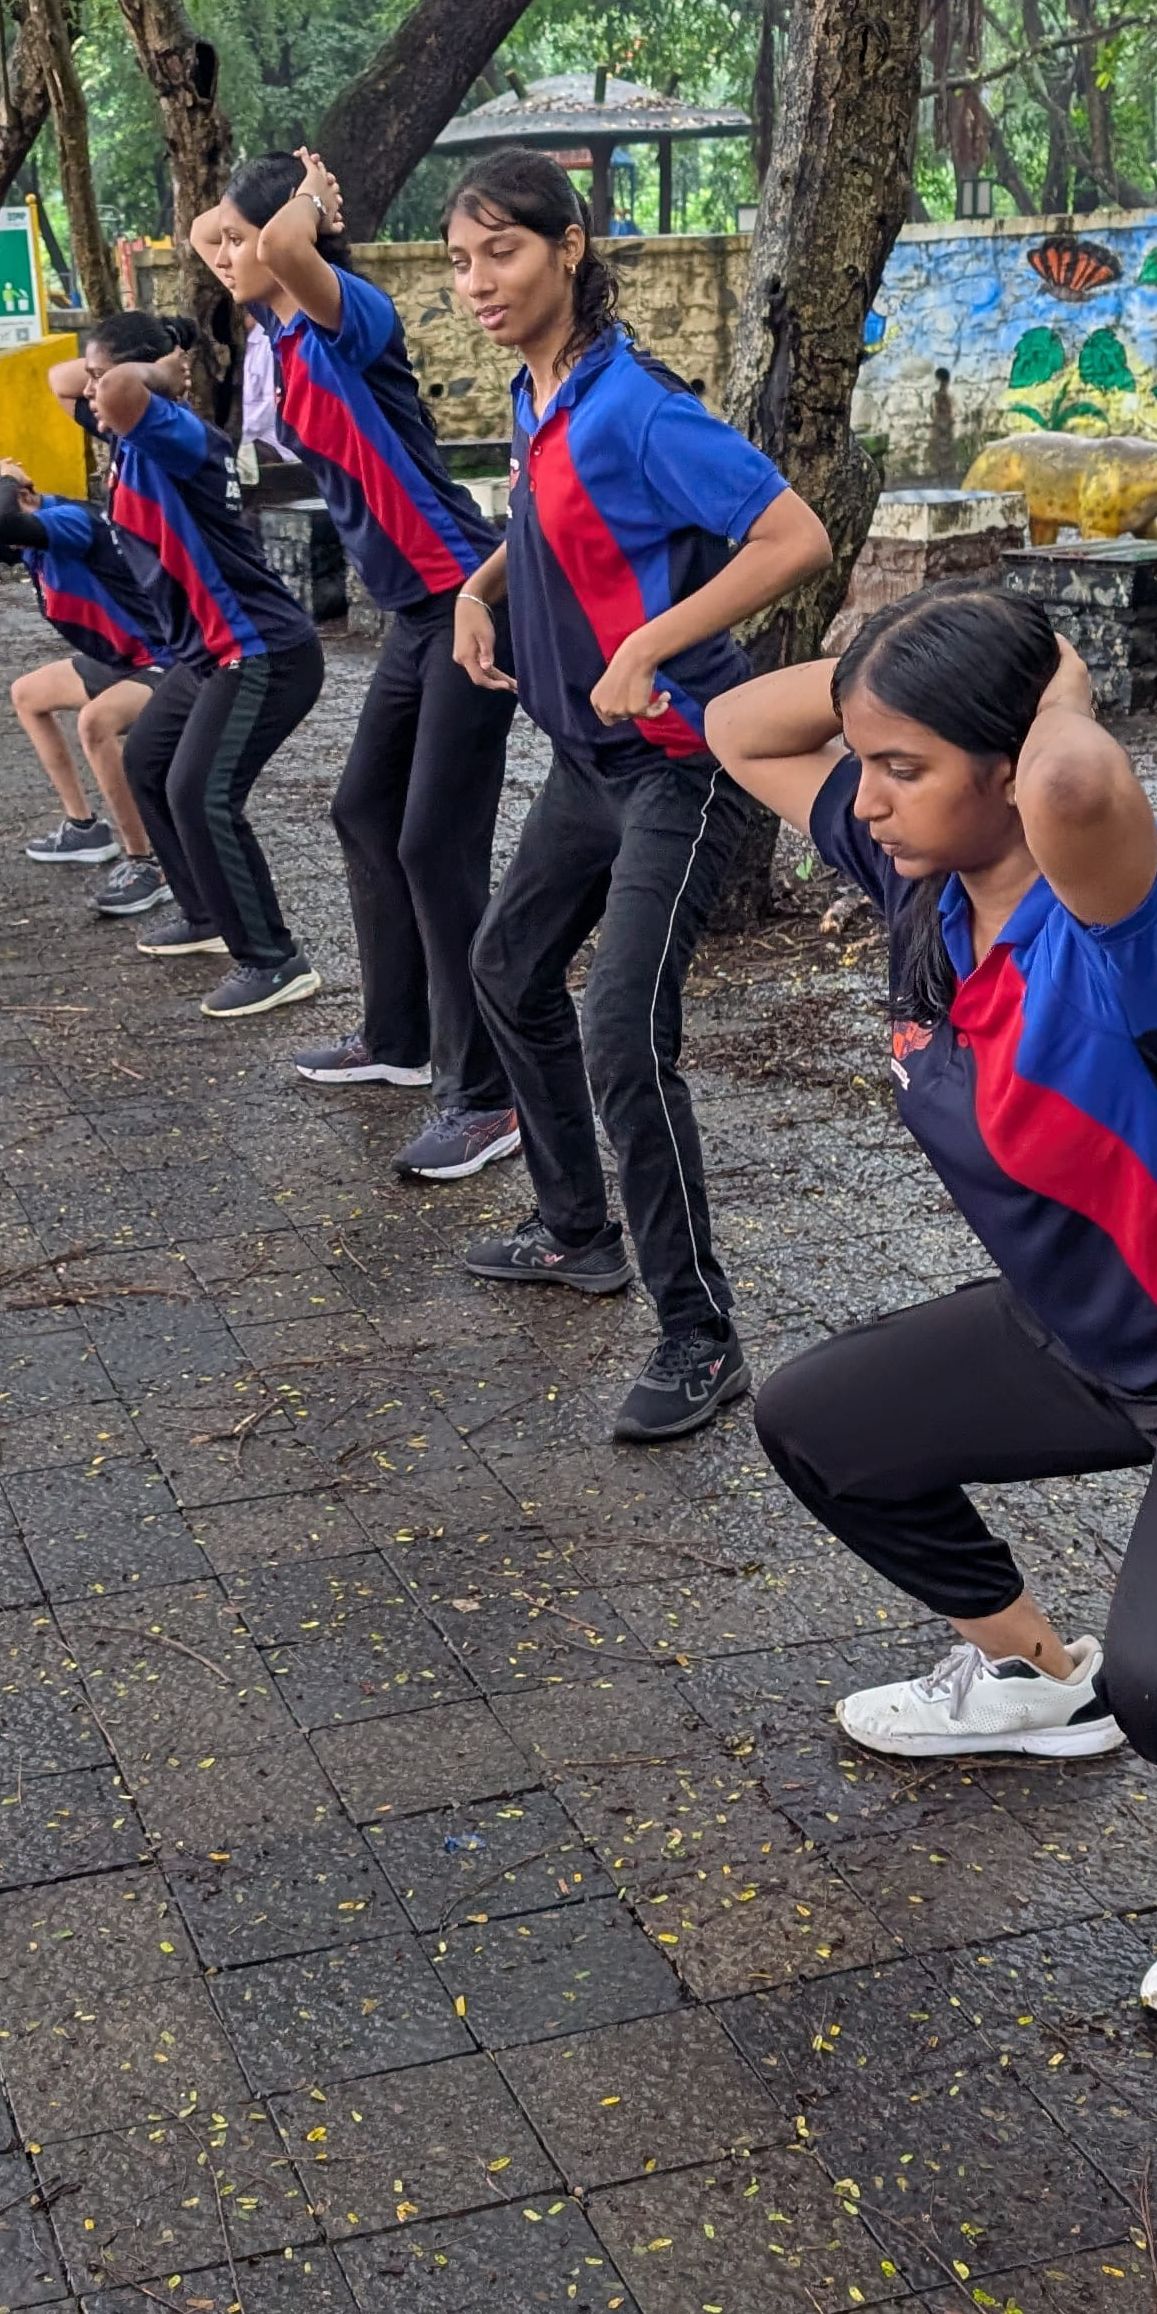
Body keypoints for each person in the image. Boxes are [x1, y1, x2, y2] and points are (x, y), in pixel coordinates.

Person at [710, 583, 1157, 2033]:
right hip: (1077, 1329)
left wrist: (1051, 679)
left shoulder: (1120, 935)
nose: (867, 797)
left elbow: (1079, 780)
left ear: (1009, 764)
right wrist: (893, 683)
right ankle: (1029, 1677)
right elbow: (735, 724)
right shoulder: (920, 876)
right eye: (866, 764)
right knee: (819, 1423)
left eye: (904, 767)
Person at [443, 155, 827, 1443]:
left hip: (686, 763)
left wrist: (654, 641)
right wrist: (480, 588)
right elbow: (552, 520)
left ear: (569, 248)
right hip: (588, 765)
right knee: (507, 968)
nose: (477, 281)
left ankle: (699, 1337)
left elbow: (797, 538)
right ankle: (575, 1230)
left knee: (621, 1034)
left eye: (501, 251)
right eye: (460, 261)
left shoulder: (639, 407)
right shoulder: (538, 393)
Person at [209, 148, 521, 1188]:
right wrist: (269, 222)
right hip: (413, 615)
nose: (224, 256)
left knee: (435, 844)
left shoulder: (353, 316)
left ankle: (486, 1096)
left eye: (238, 238)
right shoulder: (283, 335)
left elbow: (287, 242)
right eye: (219, 242)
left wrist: (312, 197)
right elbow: (245, 246)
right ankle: (397, 1037)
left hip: (470, 598)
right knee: (362, 812)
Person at [46, 313, 328, 1018]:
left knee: (201, 792)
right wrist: (142, 363)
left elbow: (114, 392)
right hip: (204, 657)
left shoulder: (174, 434)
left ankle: (273, 960)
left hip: (258, 649)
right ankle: (205, 914)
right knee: (147, 761)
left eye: (103, 375)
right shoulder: (129, 434)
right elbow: (60, 381)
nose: (90, 391)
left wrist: (159, 373)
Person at [0, 454, 171, 908]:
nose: (5, 547)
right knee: (28, 694)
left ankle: (147, 862)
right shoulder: (26, 535)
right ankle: (84, 828)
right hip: (122, 660)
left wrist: (8, 482)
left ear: (23, 495)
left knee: (95, 724)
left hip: (168, 661)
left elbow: (3, 523)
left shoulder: (68, 523)